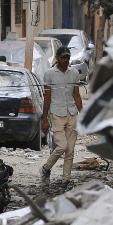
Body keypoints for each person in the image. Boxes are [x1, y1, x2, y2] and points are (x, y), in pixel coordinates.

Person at [39, 46, 83, 189]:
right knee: (62, 146)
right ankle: (46, 168)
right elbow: (47, 97)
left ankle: (65, 180)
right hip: (57, 113)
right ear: (57, 58)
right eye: (63, 57)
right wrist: (44, 120)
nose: (66, 60)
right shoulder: (50, 74)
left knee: (70, 149)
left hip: (71, 113)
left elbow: (76, 95)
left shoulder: (74, 72)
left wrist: (82, 114)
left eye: (68, 57)